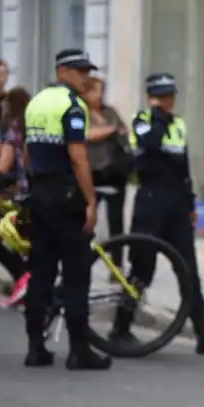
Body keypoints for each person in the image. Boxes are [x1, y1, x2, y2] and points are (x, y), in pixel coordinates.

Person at [110, 73, 204, 353]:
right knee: (142, 267)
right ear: (151, 97)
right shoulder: (142, 120)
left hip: (175, 202)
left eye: (171, 96)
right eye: (162, 97)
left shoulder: (179, 125)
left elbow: (183, 166)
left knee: (189, 270)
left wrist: (190, 205)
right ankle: (120, 328)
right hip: (150, 200)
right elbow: (150, 144)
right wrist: (157, 115)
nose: (168, 101)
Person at [22, 49, 111, 370]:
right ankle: (79, 351)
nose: (84, 76)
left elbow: (27, 154)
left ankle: (35, 348)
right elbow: (78, 157)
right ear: (62, 71)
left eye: (87, 70)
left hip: (41, 194)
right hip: (66, 195)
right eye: (79, 70)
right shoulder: (73, 106)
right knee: (76, 274)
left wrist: (34, 184)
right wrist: (90, 199)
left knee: (41, 274)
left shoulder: (36, 103)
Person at [0, 86, 32, 307]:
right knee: (25, 243)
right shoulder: (29, 129)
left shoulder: (11, 131)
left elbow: (2, 168)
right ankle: (26, 285)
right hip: (27, 194)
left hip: (8, 197)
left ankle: (22, 280)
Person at [83, 76, 130, 271]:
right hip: (92, 173)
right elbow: (86, 134)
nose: (100, 95)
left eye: (102, 90)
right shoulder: (81, 113)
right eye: (96, 91)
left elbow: (123, 129)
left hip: (114, 172)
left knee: (116, 220)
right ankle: (82, 259)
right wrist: (110, 130)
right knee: (86, 218)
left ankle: (117, 265)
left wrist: (119, 131)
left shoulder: (110, 112)